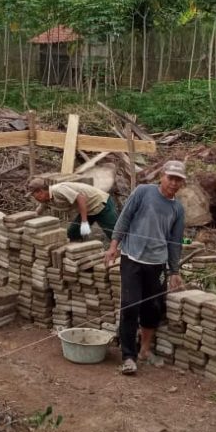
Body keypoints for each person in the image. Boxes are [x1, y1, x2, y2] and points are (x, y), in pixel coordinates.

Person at [104, 160, 187, 376]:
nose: (173, 183)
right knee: (130, 306)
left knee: (153, 308)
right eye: (171, 178)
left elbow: (175, 242)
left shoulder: (177, 208)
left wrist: (174, 271)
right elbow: (124, 218)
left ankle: (145, 350)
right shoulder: (143, 192)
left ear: (182, 183)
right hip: (132, 258)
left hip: (157, 264)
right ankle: (128, 356)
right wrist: (114, 245)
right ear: (162, 176)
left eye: (178, 180)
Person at [27, 177, 118, 241]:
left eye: (33, 195)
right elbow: (39, 210)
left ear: (40, 191)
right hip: (86, 210)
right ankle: (81, 257)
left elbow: (80, 198)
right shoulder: (46, 200)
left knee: (115, 234)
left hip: (99, 203)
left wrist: (84, 221)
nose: (34, 198)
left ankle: (124, 258)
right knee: (72, 234)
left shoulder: (59, 190)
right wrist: (28, 222)